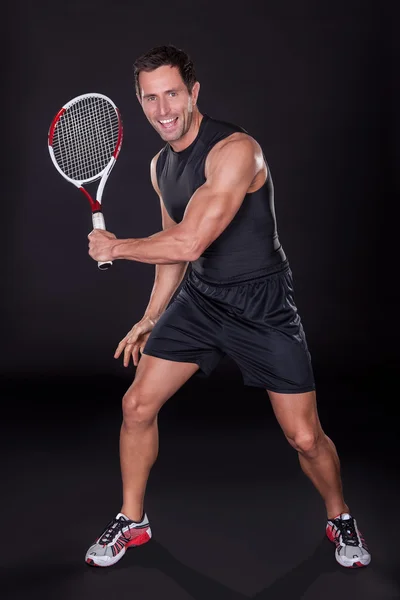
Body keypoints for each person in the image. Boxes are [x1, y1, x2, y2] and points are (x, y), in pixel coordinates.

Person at [85, 44, 371, 569]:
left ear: (194, 93)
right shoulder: (158, 166)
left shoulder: (237, 151)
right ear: (140, 102)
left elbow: (191, 242)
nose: (163, 109)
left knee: (305, 437)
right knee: (136, 406)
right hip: (201, 300)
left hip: (262, 303)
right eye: (151, 98)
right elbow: (174, 252)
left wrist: (117, 246)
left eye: (172, 93)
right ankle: (133, 520)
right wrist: (151, 317)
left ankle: (340, 515)